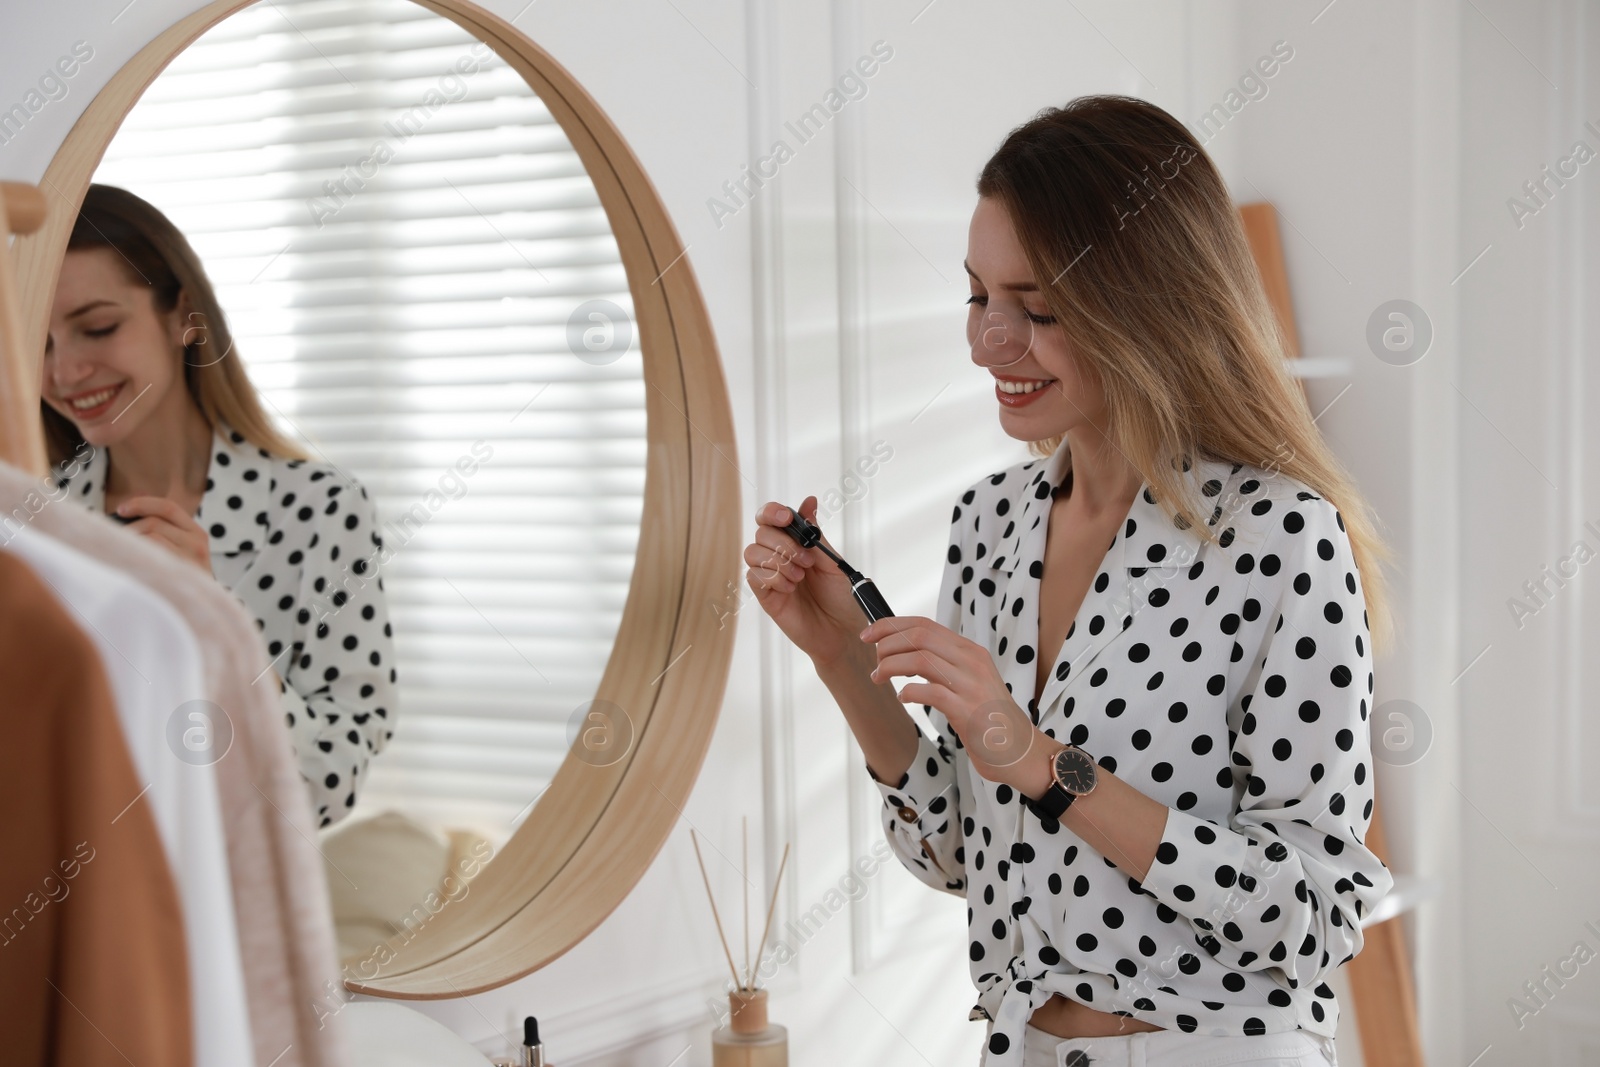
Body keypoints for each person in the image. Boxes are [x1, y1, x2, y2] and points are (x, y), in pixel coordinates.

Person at [746, 96, 1393, 1067]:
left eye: (1036, 308)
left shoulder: (1280, 535)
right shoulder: (990, 521)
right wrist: (843, 657)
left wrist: (1049, 763)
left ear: (1148, 306)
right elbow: (964, 853)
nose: (986, 341)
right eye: (976, 296)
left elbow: (1317, 914)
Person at [42, 182, 397, 829]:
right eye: (39, 345)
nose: (64, 374)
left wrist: (214, 623)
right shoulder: (35, 522)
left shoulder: (319, 508)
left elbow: (329, 786)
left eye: (98, 328)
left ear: (185, 317)